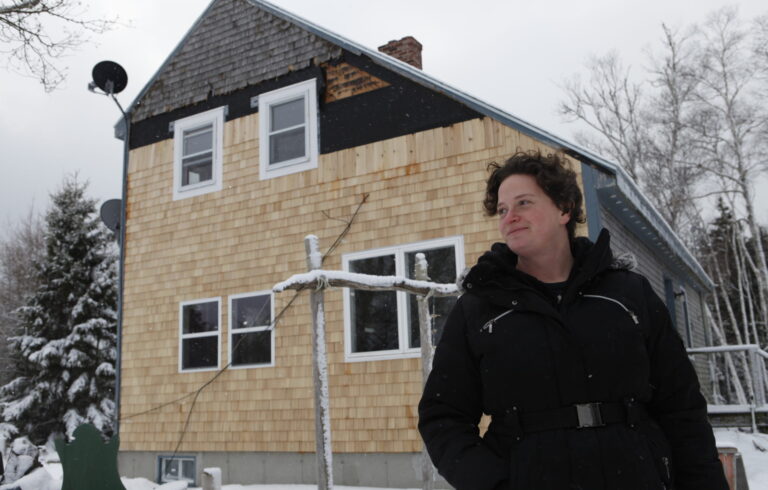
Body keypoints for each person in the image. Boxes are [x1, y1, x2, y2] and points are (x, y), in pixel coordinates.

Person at [418, 150, 728, 490]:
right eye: (503, 209)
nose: (510, 217)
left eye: (523, 203)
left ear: (564, 208)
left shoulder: (627, 294)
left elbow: (681, 407)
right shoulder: (479, 308)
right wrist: (494, 483)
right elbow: (443, 417)